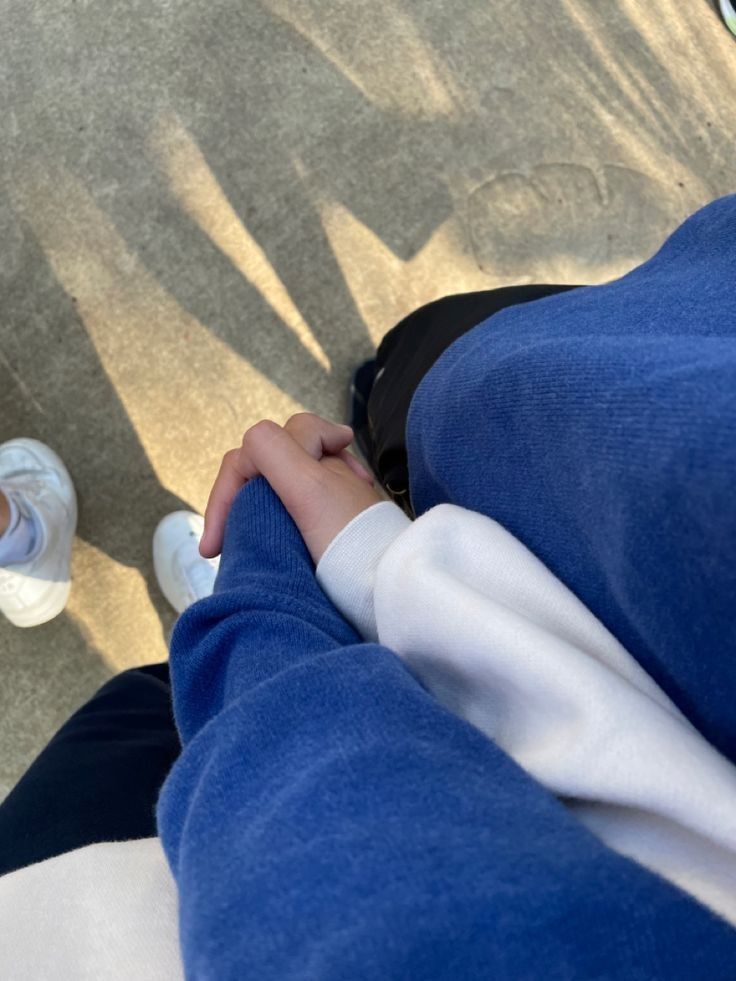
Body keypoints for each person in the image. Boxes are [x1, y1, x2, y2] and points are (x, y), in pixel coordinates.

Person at [2, 194, 736, 979]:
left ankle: (248, 619)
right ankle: (272, 605)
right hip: (545, 443)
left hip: (127, 892)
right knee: (411, 387)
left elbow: (359, 888)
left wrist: (291, 576)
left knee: (181, 699)